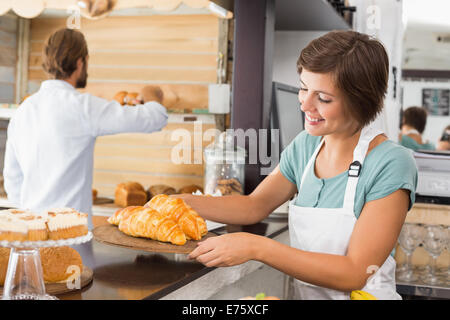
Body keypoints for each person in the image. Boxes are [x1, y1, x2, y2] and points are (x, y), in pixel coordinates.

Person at [176, 31, 418, 300]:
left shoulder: (391, 163)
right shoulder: (305, 146)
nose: (305, 103)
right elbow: (253, 206)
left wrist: (257, 247)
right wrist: (178, 202)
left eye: (323, 98)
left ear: (361, 101)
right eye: (304, 88)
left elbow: (355, 272)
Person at [3, 28, 168, 228]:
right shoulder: (83, 107)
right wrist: (150, 93)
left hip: (31, 231)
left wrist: (35, 215)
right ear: (80, 62)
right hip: (71, 233)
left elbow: (12, 181)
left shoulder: (23, 110)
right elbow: (155, 118)